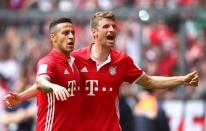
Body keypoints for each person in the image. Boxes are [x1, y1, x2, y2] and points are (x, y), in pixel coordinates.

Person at [4, 11, 198, 131]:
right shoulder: (75, 59)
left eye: (114, 26)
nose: (112, 30)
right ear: (94, 33)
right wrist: (22, 96)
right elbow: (46, 81)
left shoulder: (122, 61)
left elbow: (150, 82)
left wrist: (181, 80)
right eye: (106, 27)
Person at [5, 17, 82, 131]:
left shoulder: (75, 61)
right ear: (53, 37)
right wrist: (53, 87)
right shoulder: (47, 62)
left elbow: (39, 86)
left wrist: (21, 96)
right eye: (65, 33)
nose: (71, 36)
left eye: (72, 33)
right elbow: (42, 82)